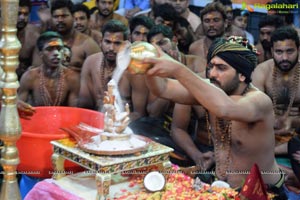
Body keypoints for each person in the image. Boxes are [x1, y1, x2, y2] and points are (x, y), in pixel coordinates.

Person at [142, 37, 286, 198]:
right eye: (211, 67)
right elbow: (163, 88)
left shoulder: (258, 101)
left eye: (221, 68)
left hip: (263, 192)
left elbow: (224, 108)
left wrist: (178, 69)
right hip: (219, 187)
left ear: (242, 75)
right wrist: (147, 66)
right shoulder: (212, 90)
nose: (212, 73)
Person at [252, 26, 300, 156]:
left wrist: (292, 121)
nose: (284, 57)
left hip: (297, 138)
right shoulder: (262, 71)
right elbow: (255, 110)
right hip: (267, 135)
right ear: (272, 50)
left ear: (298, 50)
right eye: (279, 52)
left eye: (290, 51)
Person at [32, 0, 101, 71]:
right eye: (56, 17)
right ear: (51, 19)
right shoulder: (43, 43)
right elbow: (35, 72)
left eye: (64, 16)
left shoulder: (87, 44)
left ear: (73, 17)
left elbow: (99, 73)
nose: (60, 20)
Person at [18, 31, 80, 107]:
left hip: (63, 118)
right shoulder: (30, 77)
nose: (56, 53)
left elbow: (74, 112)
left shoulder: (72, 78)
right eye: (50, 49)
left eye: (59, 48)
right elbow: (19, 107)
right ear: (41, 54)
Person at [16, 0, 40, 79]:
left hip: (24, 80)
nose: (22, 18)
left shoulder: (34, 36)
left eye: (25, 14)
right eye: (18, 14)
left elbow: (37, 68)